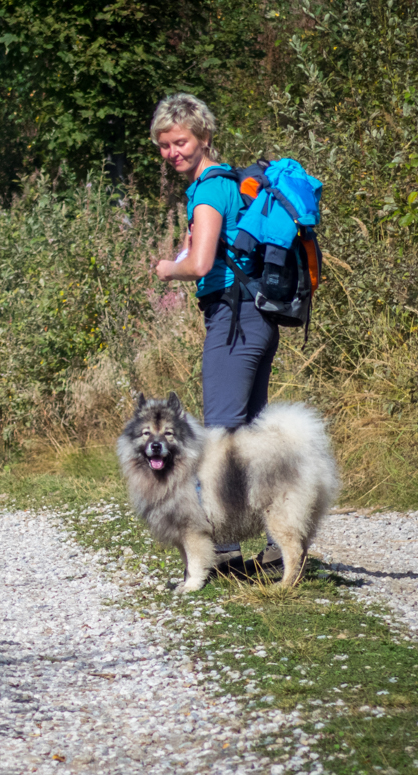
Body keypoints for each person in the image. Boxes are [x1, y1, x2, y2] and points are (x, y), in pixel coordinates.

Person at [149, 93, 282, 578]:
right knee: (253, 434)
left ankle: (224, 550)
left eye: (180, 141)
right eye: (164, 145)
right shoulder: (232, 183)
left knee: (222, 433)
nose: (172, 153)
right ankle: (276, 549)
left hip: (233, 321)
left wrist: (169, 268)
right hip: (257, 319)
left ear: (204, 137)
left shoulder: (207, 191)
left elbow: (202, 263)